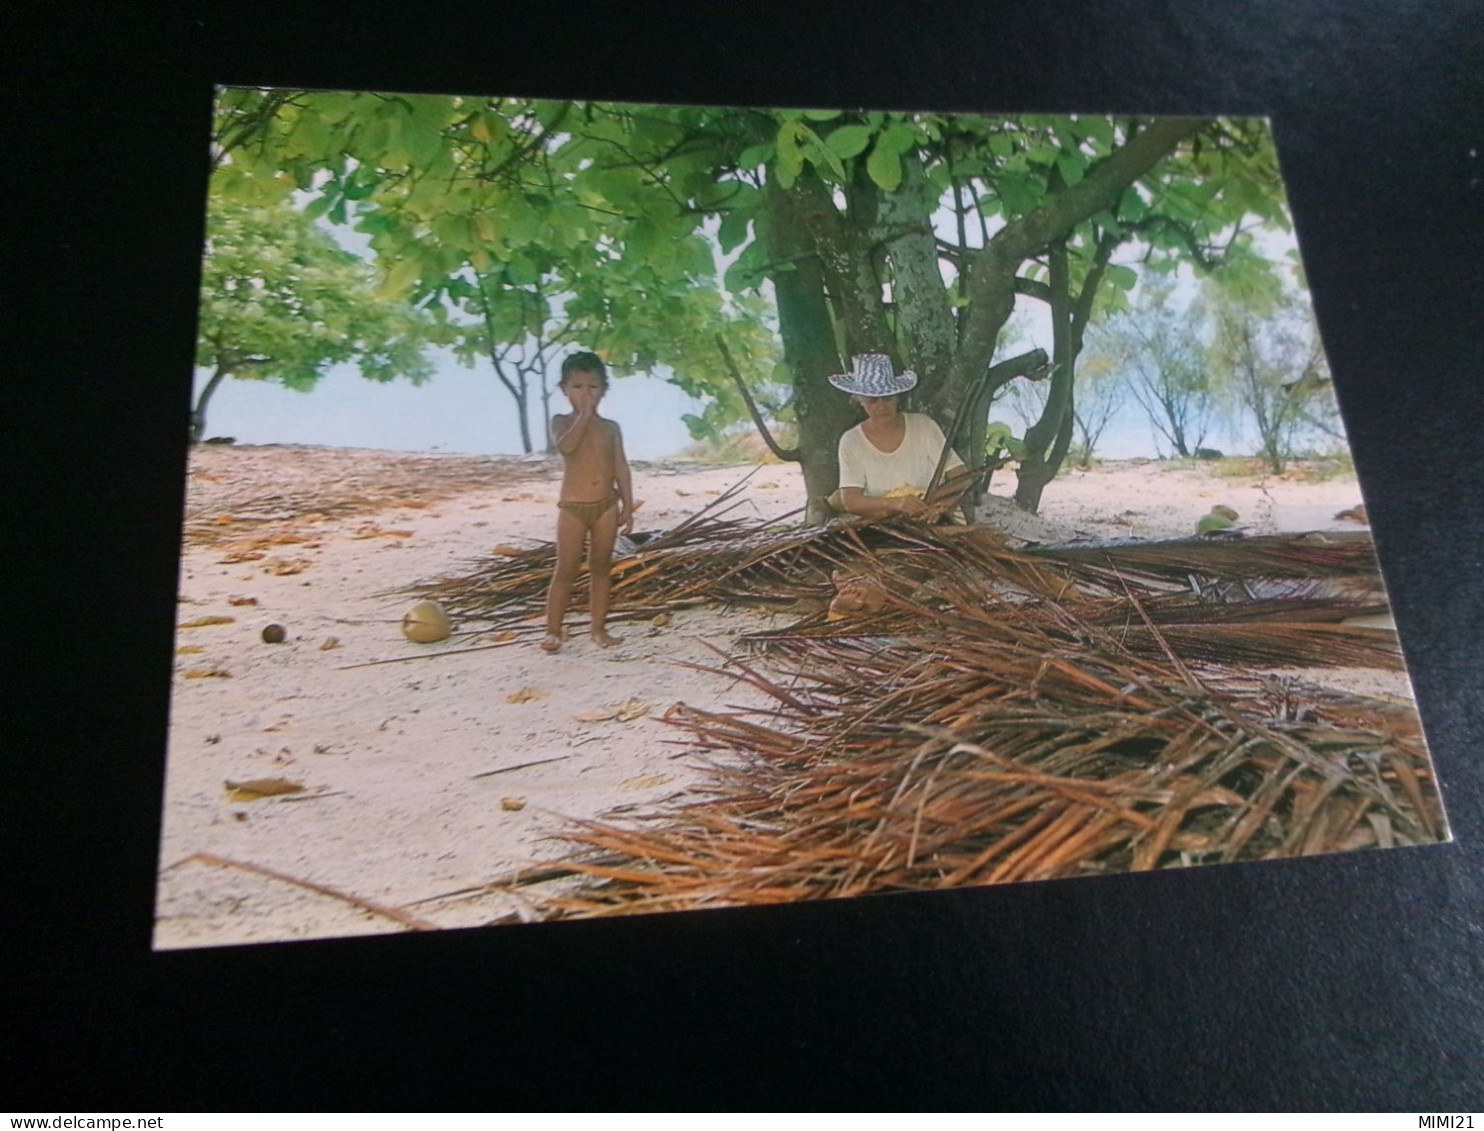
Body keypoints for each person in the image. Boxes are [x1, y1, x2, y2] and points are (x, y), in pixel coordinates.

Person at [541, 352, 636, 652]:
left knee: (600, 567)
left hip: (605, 506)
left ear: (604, 390)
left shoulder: (611, 428)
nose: (586, 394)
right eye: (578, 387)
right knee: (566, 568)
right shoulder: (561, 422)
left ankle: (598, 629)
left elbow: (621, 466)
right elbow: (567, 448)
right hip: (573, 508)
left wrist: (628, 506)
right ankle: (553, 630)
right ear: (564, 390)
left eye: (593, 387)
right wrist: (583, 416)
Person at [828, 354, 976, 519]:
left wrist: (936, 503)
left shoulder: (924, 427)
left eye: (888, 398)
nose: (881, 406)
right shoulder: (851, 441)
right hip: (884, 526)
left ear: (898, 397)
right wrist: (896, 504)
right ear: (860, 400)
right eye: (873, 400)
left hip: (937, 518)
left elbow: (963, 477)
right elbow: (850, 500)